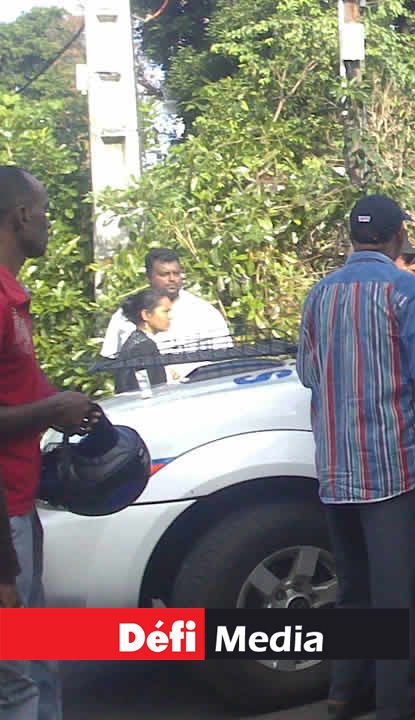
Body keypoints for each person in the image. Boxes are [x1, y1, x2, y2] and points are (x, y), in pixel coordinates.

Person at [296, 194, 415, 720]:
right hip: (389, 466)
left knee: (354, 588)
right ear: (398, 236)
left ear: (353, 237)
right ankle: (402, 705)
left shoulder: (319, 295)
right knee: (396, 592)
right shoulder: (406, 290)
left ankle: (345, 692)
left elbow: (308, 371)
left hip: (334, 466)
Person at [0, 165, 101, 720]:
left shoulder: (14, 296)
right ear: (20, 216)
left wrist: (65, 406)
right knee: (15, 682)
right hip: (2, 520)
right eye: (43, 213)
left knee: (39, 663)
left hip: (20, 503)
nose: (48, 224)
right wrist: (52, 409)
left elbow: (17, 390)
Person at [100, 247, 232, 380]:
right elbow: (111, 361)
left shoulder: (204, 312)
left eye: (176, 273)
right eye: (164, 274)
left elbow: (225, 360)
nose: (172, 279)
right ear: (149, 277)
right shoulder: (125, 315)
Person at [111, 289, 172, 393]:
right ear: (146, 315)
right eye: (165, 312)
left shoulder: (138, 342)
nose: (170, 317)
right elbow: (151, 388)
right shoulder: (144, 347)